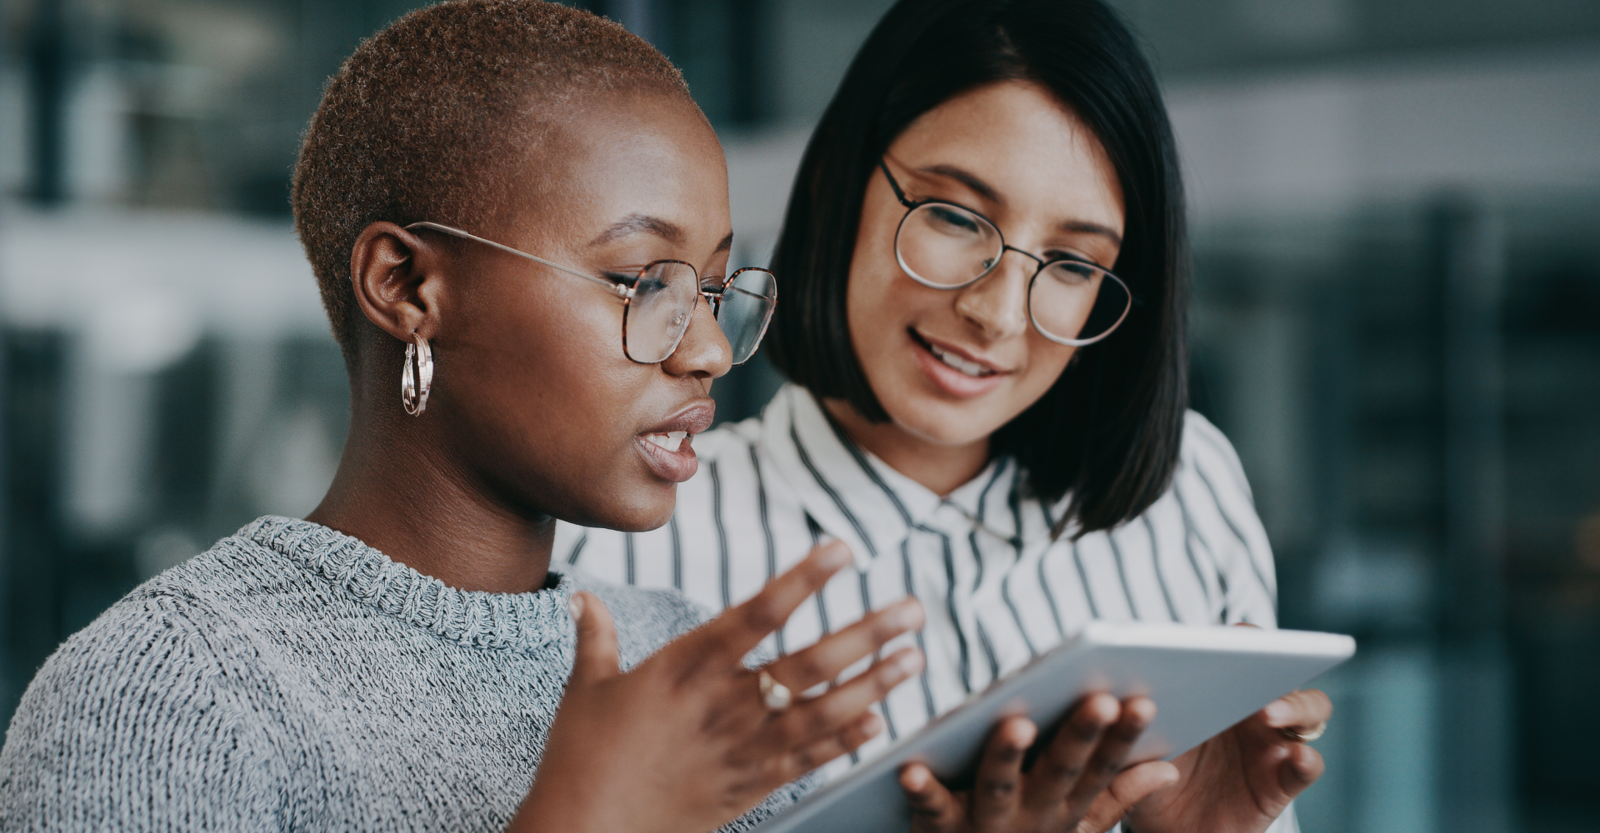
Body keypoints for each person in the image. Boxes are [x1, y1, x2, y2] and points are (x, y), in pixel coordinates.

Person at [0, 3, 930, 831]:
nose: (712, 349)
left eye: (714, 289)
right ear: (406, 286)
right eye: (643, 281)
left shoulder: (683, 657)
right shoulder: (166, 690)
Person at [555, 0, 1333, 831]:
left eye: (1073, 263)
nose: (995, 313)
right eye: (956, 218)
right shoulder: (616, 538)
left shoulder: (1188, 492)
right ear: (837, 182)